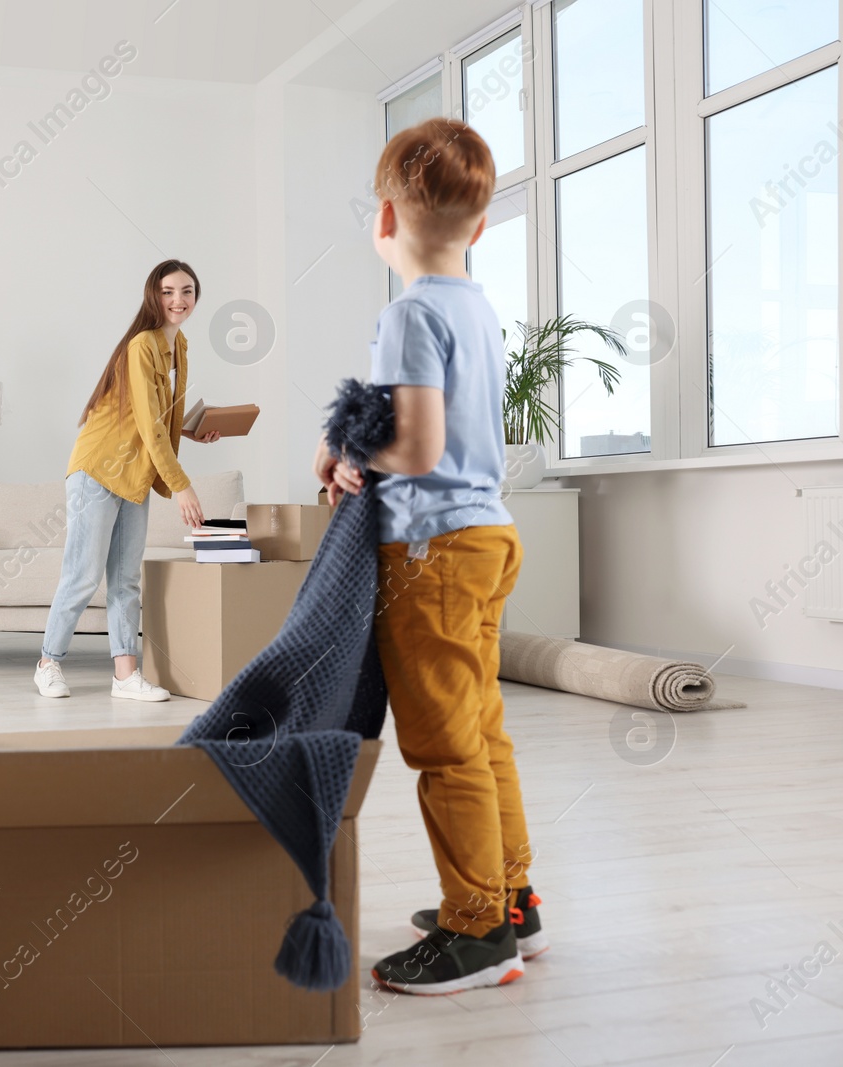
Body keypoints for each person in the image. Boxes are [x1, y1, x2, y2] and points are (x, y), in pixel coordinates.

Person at [315, 118, 541, 996]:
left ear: (384, 218)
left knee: (445, 745)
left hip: (435, 548)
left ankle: (477, 930)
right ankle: (513, 898)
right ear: (479, 227)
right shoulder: (475, 307)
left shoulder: (408, 313)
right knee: (483, 728)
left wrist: (345, 458)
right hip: (490, 533)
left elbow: (415, 446)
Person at [34, 259, 222, 701]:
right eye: (169, 291)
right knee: (82, 575)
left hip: (136, 474)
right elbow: (149, 423)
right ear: (153, 296)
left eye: (188, 291)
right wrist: (182, 484)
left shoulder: (180, 347)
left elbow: (159, 417)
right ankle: (47, 663)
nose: (179, 300)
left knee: (125, 579)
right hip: (99, 470)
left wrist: (193, 430)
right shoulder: (141, 345)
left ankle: (125, 676)